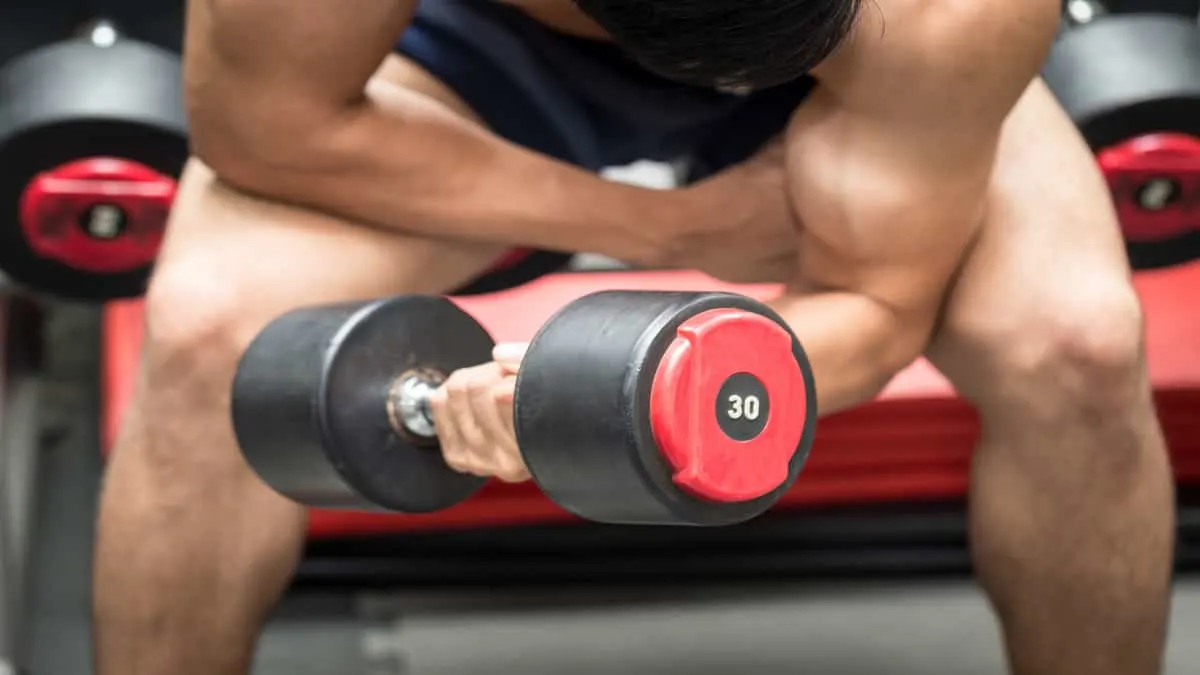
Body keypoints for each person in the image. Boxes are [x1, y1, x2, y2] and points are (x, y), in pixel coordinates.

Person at [92, 0, 1175, 673]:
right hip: (467, 47)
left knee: (1074, 341)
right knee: (205, 337)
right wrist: (664, 228)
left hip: (872, 68)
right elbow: (264, 125)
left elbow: (881, 308)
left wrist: (643, 388)